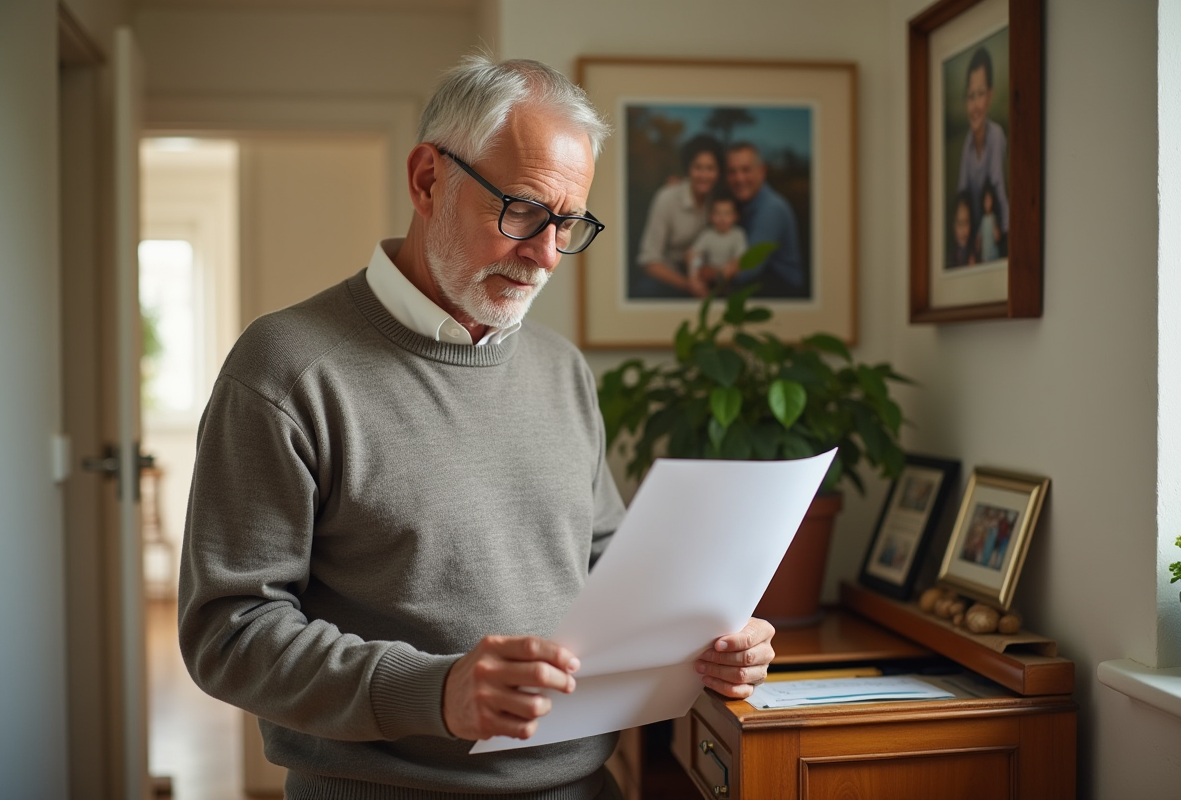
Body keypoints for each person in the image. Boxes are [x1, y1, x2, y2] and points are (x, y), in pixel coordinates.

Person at [178, 54, 775, 800]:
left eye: (568, 223)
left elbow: (610, 565)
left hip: (587, 786)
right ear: (428, 179)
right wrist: (436, 692)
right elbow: (229, 633)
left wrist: (709, 636)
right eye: (523, 209)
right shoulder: (285, 368)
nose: (547, 254)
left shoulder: (561, 368)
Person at [635, 134, 723, 298]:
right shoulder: (667, 197)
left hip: (707, 275)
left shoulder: (720, 199)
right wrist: (688, 285)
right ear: (688, 169)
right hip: (670, 278)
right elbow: (648, 261)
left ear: (719, 171)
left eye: (710, 168)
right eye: (698, 167)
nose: (704, 175)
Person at [722, 142, 806, 298]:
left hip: (784, 292)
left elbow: (747, 269)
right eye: (732, 172)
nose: (739, 178)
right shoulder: (739, 204)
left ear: (761, 171)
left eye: (746, 170)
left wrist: (707, 271)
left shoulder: (771, 209)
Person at [956, 46, 1009, 256]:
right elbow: (962, 198)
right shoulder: (966, 147)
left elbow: (999, 189)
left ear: (990, 96)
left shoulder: (997, 136)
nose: (975, 105)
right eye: (970, 96)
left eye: (980, 94)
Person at [685, 190, 747, 297]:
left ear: (736, 216)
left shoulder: (738, 234)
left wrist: (727, 269)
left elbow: (740, 257)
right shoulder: (707, 235)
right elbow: (694, 253)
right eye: (717, 213)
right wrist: (695, 272)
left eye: (727, 213)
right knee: (693, 259)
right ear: (710, 216)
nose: (722, 218)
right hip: (709, 278)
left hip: (730, 278)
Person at [949, 190, 976, 268]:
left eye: (966, 222)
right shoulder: (951, 256)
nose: (963, 230)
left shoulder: (976, 252)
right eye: (959, 223)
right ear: (953, 225)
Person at [976, 181, 1001, 263]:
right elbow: (979, 236)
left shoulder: (993, 218)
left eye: (989, 200)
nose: (987, 203)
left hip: (993, 255)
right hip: (985, 257)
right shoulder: (983, 220)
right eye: (985, 200)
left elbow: (997, 237)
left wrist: (995, 229)